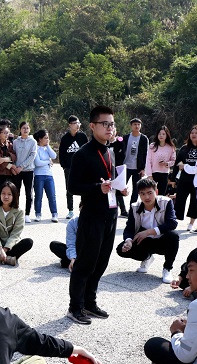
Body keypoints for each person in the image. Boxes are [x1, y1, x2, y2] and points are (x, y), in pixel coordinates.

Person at [67, 105, 128, 325]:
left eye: (112, 124)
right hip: (92, 216)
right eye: (105, 124)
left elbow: (109, 182)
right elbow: (73, 186)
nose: (110, 128)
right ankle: (75, 307)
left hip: (110, 215)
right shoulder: (83, 154)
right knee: (85, 264)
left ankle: (89, 303)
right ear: (92, 126)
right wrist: (96, 188)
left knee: (101, 262)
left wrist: (120, 189)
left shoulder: (109, 151)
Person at [117, 177, 179, 283]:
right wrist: (128, 241)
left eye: (150, 193)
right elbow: (129, 228)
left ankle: (167, 269)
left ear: (156, 192)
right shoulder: (135, 207)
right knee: (120, 249)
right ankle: (147, 257)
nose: (146, 197)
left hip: (162, 240)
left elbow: (172, 223)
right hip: (145, 242)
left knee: (173, 236)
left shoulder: (166, 202)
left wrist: (148, 232)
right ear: (139, 195)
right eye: (143, 194)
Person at [113, 117, 148, 214]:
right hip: (125, 167)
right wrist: (117, 139)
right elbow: (117, 147)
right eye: (135, 124)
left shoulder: (144, 139)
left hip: (137, 168)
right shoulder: (125, 137)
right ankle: (122, 209)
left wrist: (143, 168)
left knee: (136, 190)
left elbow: (145, 154)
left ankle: (132, 210)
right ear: (131, 126)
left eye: (138, 124)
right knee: (119, 188)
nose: (137, 126)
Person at [174, 125, 197, 230]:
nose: (193, 135)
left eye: (196, 133)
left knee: (194, 202)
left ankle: (191, 223)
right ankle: (175, 220)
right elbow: (177, 162)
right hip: (184, 179)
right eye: (192, 133)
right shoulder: (184, 148)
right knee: (179, 199)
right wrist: (172, 178)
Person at [58, 115, 88, 219]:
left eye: (78, 123)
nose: (77, 125)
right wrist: (64, 166)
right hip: (69, 168)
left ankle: (83, 208)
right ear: (70, 125)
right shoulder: (65, 138)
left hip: (82, 168)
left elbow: (87, 151)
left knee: (83, 188)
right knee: (69, 189)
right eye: (75, 123)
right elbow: (61, 153)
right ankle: (70, 210)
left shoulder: (82, 136)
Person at [12, 121, 38, 223]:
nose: (25, 130)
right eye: (23, 128)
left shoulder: (33, 142)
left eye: (27, 128)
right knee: (16, 192)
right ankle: (15, 213)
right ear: (20, 129)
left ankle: (27, 214)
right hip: (16, 171)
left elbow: (32, 156)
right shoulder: (15, 142)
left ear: (30, 129)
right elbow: (13, 155)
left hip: (28, 170)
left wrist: (21, 167)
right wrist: (14, 167)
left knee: (28, 193)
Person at [32, 129, 58, 222]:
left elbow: (54, 156)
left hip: (49, 175)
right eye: (45, 138)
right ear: (40, 139)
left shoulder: (47, 148)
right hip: (39, 175)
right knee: (38, 196)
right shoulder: (36, 148)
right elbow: (38, 163)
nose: (48, 140)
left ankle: (54, 214)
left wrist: (48, 146)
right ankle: (38, 214)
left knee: (52, 196)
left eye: (48, 138)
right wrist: (48, 161)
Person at [0, 125, 18, 203]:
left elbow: (14, 156)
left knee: (6, 191)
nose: (6, 134)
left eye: (7, 133)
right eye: (4, 133)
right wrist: (11, 166)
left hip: (7, 173)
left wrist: (6, 159)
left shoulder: (9, 144)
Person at [145, 126, 176, 196]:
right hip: (153, 173)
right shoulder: (152, 146)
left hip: (164, 174)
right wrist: (149, 175)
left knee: (161, 195)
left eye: (163, 134)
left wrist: (166, 164)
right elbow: (148, 161)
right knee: (151, 194)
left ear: (167, 135)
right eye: (159, 134)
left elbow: (174, 160)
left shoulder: (170, 147)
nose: (161, 136)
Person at [50, 204, 81, 270]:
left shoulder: (96, 223)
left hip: (90, 252)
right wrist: (73, 258)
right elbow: (71, 244)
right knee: (54, 245)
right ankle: (75, 262)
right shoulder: (73, 222)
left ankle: (74, 262)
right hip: (77, 250)